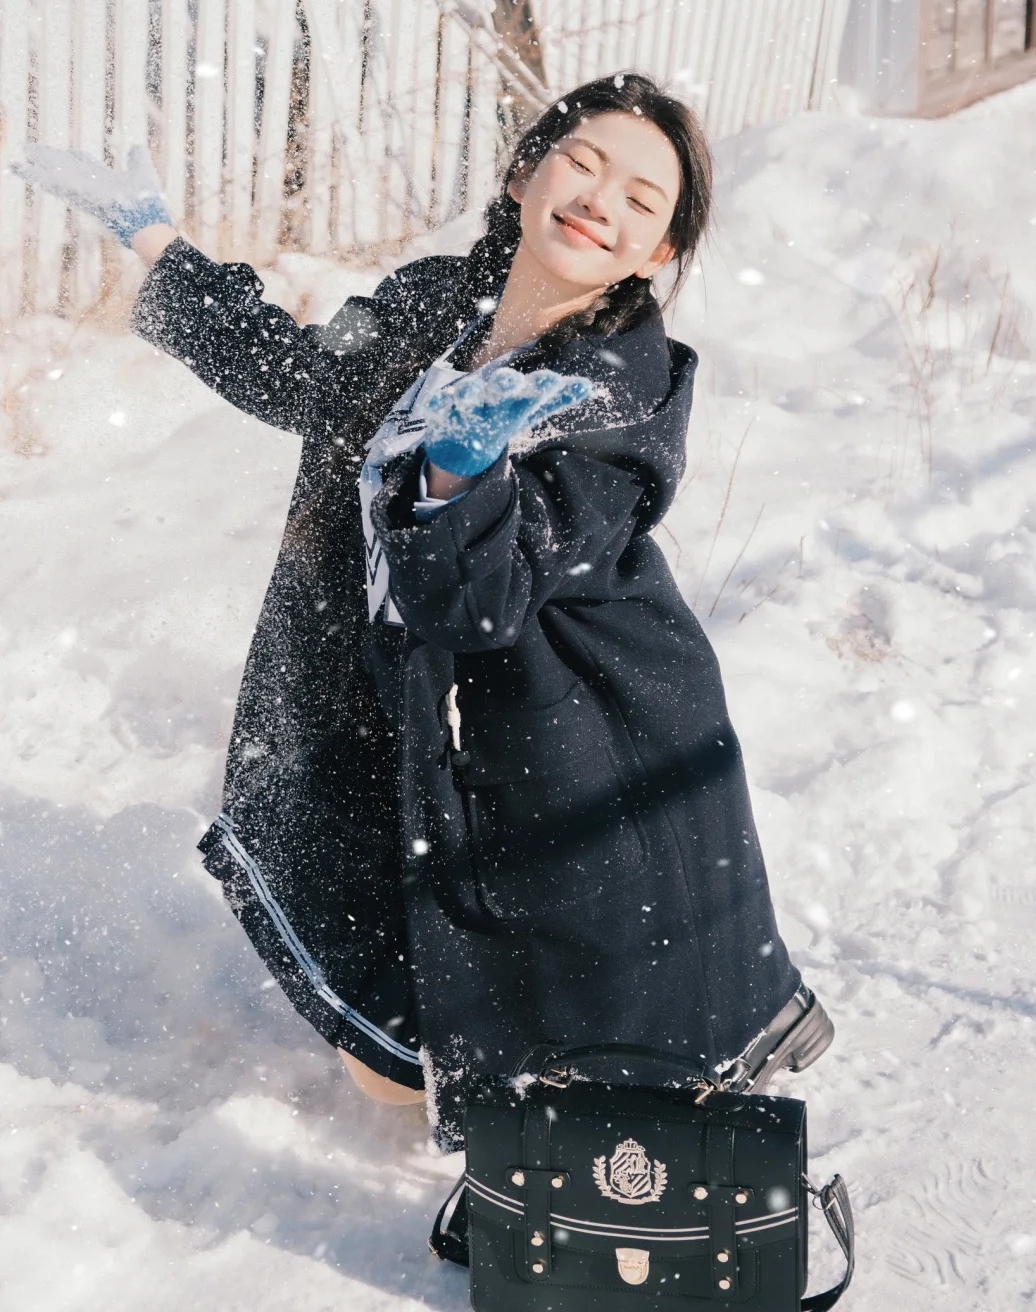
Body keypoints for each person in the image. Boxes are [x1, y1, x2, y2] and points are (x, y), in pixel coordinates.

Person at [14, 72, 832, 1165]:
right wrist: (162, 245)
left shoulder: (621, 394)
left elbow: (479, 601)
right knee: (377, 987)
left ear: (658, 256)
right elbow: (303, 378)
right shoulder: (438, 305)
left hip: (573, 734)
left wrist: (458, 481)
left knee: (582, 993)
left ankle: (599, 1120)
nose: (602, 200)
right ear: (526, 171)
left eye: (644, 200)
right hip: (413, 700)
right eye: (583, 161)